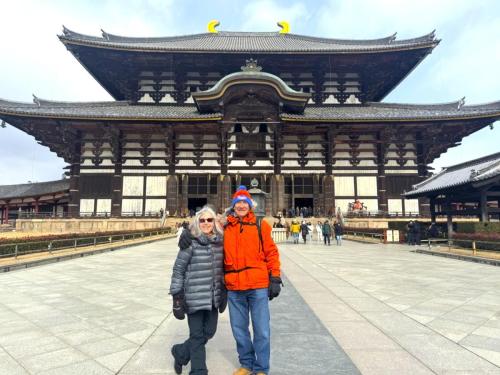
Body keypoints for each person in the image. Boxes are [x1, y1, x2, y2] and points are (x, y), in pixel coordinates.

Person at [178, 186, 282, 375]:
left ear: (250, 205)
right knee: (239, 330)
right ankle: (246, 364)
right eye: (238, 202)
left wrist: (275, 276)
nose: (241, 205)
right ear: (233, 206)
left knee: (262, 331)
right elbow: (204, 225)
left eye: (245, 202)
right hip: (234, 287)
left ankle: (261, 368)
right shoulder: (224, 227)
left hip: (257, 285)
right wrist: (187, 232)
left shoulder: (261, 225)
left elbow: (271, 252)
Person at [170, 206, 226, 375]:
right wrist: (177, 297)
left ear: (214, 222)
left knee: (209, 331)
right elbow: (178, 270)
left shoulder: (219, 243)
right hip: (194, 297)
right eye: (202, 220)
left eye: (210, 220)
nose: (206, 223)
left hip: (212, 298)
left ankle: (180, 352)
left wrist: (224, 290)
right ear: (197, 222)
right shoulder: (189, 243)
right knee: (196, 335)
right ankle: (198, 371)